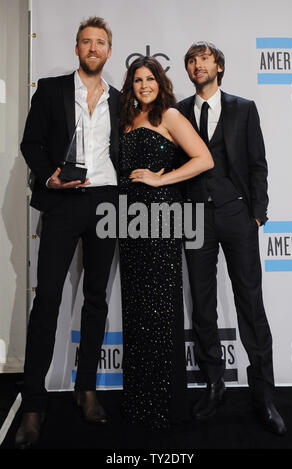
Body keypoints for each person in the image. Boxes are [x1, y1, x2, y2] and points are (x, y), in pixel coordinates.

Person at [15, 17, 120, 449]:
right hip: (62, 202)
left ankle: (87, 389)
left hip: (107, 203)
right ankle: (34, 405)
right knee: (49, 301)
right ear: (76, 49)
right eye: (86, 42)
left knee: (96, 298)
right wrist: (50, 176)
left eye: (100, 43)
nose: (93, 48)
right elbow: (31, 144)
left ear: (109, 52)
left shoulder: (120, 98)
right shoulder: (52, 88)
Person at [176, 41, 287, 435]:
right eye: (191, 60)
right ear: (187, 70)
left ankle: (264, 395)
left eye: (204, 58)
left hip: (238, 214)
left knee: (251, 305)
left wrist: (257, 214)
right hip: (195, 218)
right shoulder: (179, 112)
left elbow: (258, 164)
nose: (197, 64)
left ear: (219, 66)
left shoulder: (244, 108)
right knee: (203, 306)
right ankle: (214, 384)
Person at [118, 56, 214, 429]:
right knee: (138, 310)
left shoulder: (170, 116)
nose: (144, 85)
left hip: (160, 221)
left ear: (161, 82)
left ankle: (162, 405)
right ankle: (139, 400)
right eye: (138, 80)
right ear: (131, 85)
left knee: (160, 310)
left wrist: (162, 180)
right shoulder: (126, 121)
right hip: (128, 224)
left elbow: (203, 158)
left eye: (150, 79)